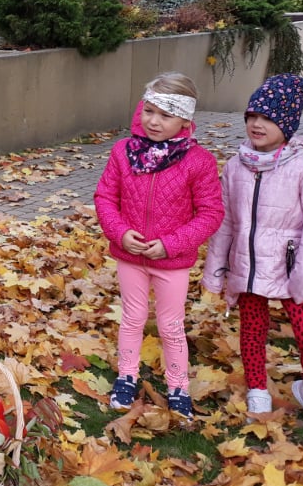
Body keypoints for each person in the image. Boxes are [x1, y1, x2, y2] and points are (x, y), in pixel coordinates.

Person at [94, 72, 224, 420]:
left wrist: (171, 244)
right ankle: (126, 376)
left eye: (165, 115)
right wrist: (120, 232)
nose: (153, 121)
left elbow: (210, 213)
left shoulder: (199, 162)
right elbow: (105, 197)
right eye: (149, 110)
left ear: (184, 119)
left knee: (170, 326)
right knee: (132, 318)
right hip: (131, 257)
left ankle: (178, 386)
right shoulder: (123, 152)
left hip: (172, 262)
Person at [202, 73, 303, 426]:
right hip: (247, 265)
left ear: (287, 124)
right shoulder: (236, 166)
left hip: (292, 267)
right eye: (252, 116)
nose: (257, 124)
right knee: (252, 329)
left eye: (268, 118)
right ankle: (257, 390)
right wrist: (216, 270)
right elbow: (225, 222)